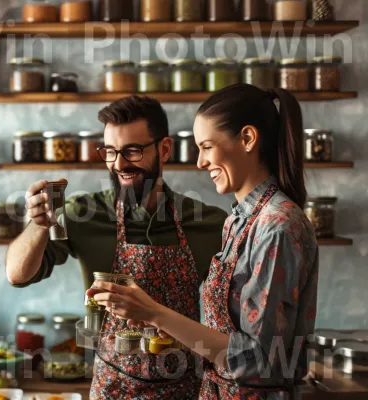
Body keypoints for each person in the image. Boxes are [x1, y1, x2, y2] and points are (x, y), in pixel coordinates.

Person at [89, 84, 319, 399]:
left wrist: (155, 312)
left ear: (248, 139)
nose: (200, 162)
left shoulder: (276, 226)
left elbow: (262, 361)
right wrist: (170, 329)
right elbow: (227, 338)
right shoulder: (238, 220)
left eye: (207, 147)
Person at [6, 95, 227, 398]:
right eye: (110, 151)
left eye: (132, 151)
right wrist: (39, 223)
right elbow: (17, 275)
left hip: (185, 389)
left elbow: (231, 329)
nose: (119, 164)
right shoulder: (83, 215)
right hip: (112, 388)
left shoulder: (211, 224)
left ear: (164, 149)